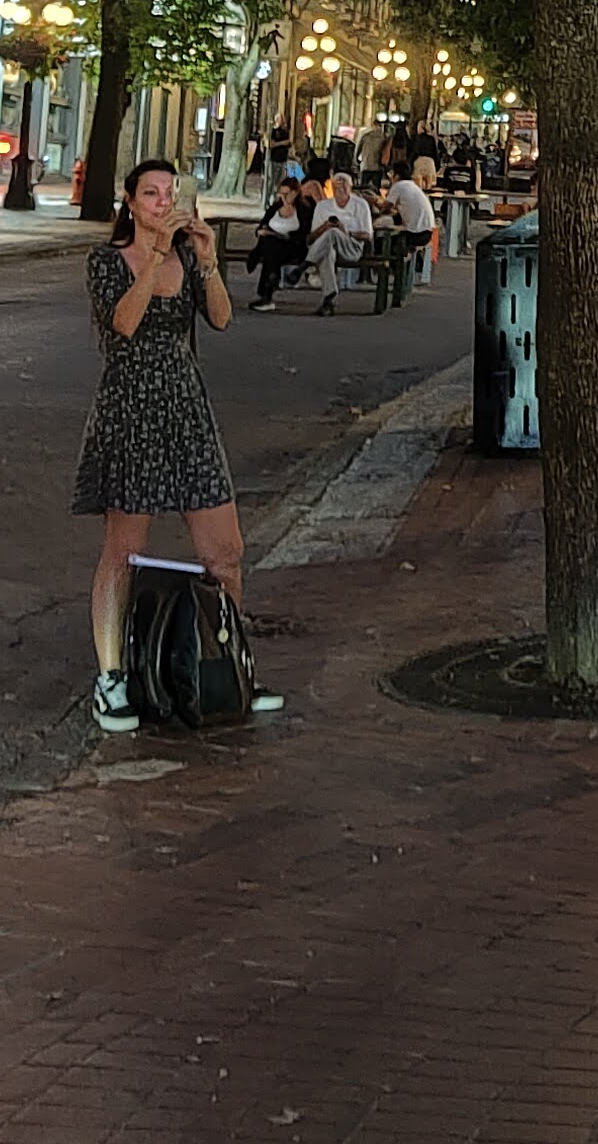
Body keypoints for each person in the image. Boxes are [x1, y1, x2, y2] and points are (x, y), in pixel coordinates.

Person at [73, 157, 278, 734]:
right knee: (124, 550)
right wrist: (157, 255)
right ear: (131, 203)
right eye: (153, 194)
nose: (164, 202)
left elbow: (220, 319)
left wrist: (208, 262)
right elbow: (124, 323)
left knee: (225, 552)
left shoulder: (188, 257)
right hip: (132, 410)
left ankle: (227, 664)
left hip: (187, 410)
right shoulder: (107, 262)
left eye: (172, 193)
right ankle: (110, 678)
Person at [305, 162, 374, 312]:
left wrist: (346, 231)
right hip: (325, 248)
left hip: (352, 248)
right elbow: (311, 238)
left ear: (350, 188)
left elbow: (367, 236)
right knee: (327, 251)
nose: (340, 189)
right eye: (336, 187)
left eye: (344, 186)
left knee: (333, 233)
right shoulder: (323, 206)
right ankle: (329, 300)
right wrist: (324, 226)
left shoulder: (360, 205)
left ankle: (306, 264)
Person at [245, 158, 309, 310]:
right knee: (270, 247)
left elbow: (302, 235)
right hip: (272, 246)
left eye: (287, 194)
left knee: (271, 248)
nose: (283, 198)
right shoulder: (275, 208)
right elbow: (261, 226)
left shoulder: (303, 210)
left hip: (292, 247)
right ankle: (267, 293)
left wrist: (278, 235)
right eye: (281, 194)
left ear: (295, 193)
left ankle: (266, 295)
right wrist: (262, 231)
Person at [383, 156, 436, 286]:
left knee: (385, 243)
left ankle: (398, 274)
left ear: (396, 175)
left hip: (416, 233)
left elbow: (385, 208)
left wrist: (373, 201)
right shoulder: (412, 186)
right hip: (427, 230)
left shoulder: (398, 186)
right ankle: (409, 268)